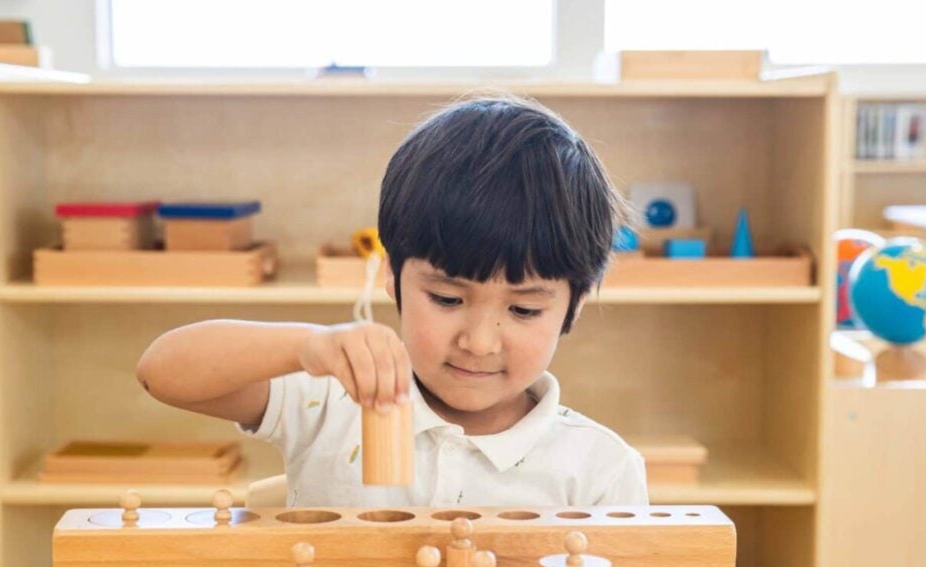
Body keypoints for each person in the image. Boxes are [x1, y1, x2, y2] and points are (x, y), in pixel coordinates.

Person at [136, 95, 647, 508]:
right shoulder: (332, 400)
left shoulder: (601, 469)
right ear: (391, 274)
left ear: (574, 306)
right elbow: (160, 372)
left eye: (524, 310)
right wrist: (307, 348)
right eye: (447, 298)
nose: (479, 341)